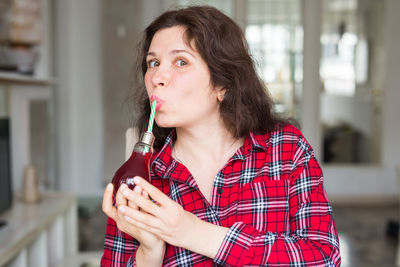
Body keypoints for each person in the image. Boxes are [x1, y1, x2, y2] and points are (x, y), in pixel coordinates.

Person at [101, 5, 341, 267]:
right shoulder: (141, 181)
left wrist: (193, 232)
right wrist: (149, 252)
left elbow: (325, 258)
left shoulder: (286, 150)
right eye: (153, 63)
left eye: (181, 62)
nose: (157, 76)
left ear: (222, 84)